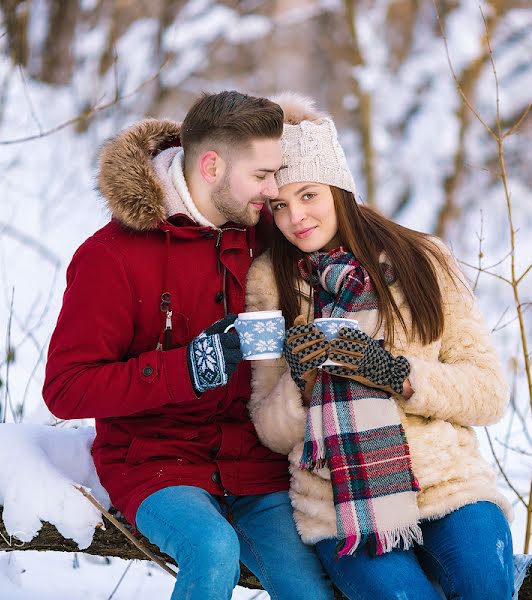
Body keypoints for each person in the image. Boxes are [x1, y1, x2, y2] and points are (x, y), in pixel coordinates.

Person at [43, 91, 332, 600]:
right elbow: (66, 389)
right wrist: (187, 368)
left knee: (310, 587)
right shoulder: (111, 257)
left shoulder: (269, 233)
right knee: (212, 547)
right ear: (213, 166)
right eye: (262, 176)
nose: (274, 190)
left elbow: (339, 224)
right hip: (156, 460)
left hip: (255, 464)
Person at [245, 93, 515, 599]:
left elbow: (488, 393)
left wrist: (397, 374)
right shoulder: (267, 283)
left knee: (486, 584)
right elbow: (268, 429)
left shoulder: (421, 258)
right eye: (279, 205)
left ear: (339, 186)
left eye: (308, 195)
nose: (295, 218)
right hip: (339, 506)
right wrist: (299, 384)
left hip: (446, 486)